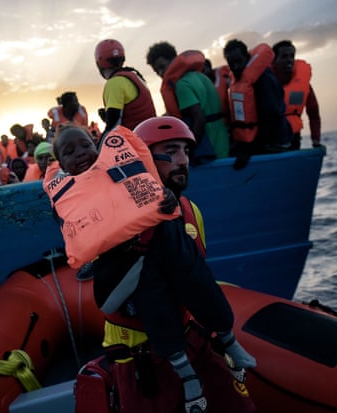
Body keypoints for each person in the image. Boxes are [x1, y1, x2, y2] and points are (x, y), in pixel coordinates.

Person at [48, 125, 256, 413]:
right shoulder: (74, 202)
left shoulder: (189, 211)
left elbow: (197, 276)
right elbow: (104, 290)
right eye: (170, 152)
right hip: (139, 356)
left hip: (194, 339)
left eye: (185, 151)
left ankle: (227, 341)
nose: (182, 160)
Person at [146, 42, 229, 163]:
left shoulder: (182, 85)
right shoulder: (200, 76)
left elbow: (199, 119)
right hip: (223, 143)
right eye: (156, 70)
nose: (161, 73)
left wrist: (186, 152)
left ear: (174, 60)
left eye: (162, 67)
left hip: (211, 150)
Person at [223, 39, 292, 169]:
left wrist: (248, 151)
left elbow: (272, 118)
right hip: (259, 141)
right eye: (232, 64)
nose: (236, 67)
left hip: (274, 142)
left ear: (247, 57)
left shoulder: (263, 79)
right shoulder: (240, 81)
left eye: (239, 61)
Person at [94, 39, 156, 137]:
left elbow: (113, 127)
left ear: (99, 63)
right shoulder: (135, 76)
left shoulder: (114, 83)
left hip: (136, 144)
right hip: (151, 136)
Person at [272, 40, 322, 150]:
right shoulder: (265, 83)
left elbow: (313, 114)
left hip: (293, 137)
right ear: (274, 61)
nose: (289, 60)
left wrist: (316, 141)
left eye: (291, 56)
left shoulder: (303, 85)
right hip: (270, 139)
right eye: (284, 56)